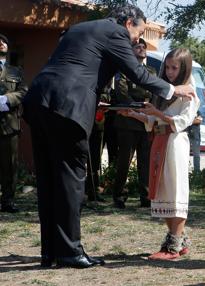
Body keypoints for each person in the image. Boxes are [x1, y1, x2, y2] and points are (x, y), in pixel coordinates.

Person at [22, 5, 195, 269]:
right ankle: (69, 253)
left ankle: (51, 252)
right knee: (70, 180)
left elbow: (77, 69)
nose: (137, 40)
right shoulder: (115, 33)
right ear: (128, 23)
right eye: (138, 32)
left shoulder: (79, 28)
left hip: (39, 101)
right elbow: (136, 74)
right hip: (67, 108)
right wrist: (174, 90)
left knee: (48, 180)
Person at [118, 48, 199, 260]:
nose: (170, 72)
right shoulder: (166, 91)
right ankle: (178, 239)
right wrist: (134, 114)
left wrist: (157, 113)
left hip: (175, 143)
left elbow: (182, 121)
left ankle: (173, 245)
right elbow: (154, 121)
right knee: (162, 190)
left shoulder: (189, 91)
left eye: (175, 68)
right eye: (168, 67)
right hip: (160, 141)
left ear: (184, 68)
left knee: (176, 191)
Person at [111, 38, 155, 209]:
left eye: (144, 47)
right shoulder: (123, 70)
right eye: (138, 47)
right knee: (124, 162)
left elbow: (153, 94)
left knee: (145, 162)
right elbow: (122, 94)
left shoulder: (150, 71)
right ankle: (119, 196)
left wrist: (144, 110)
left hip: (145, 122)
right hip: (127, 122)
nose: (142, 49)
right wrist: (138, 108)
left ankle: (146, 196)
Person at [0, 33, 28, 213]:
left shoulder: (16, 71)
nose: (1, 43)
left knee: (10, 165)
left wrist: (6, 100)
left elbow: (24, 90)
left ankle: (8, 201)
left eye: (3, 41)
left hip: (9, 124)